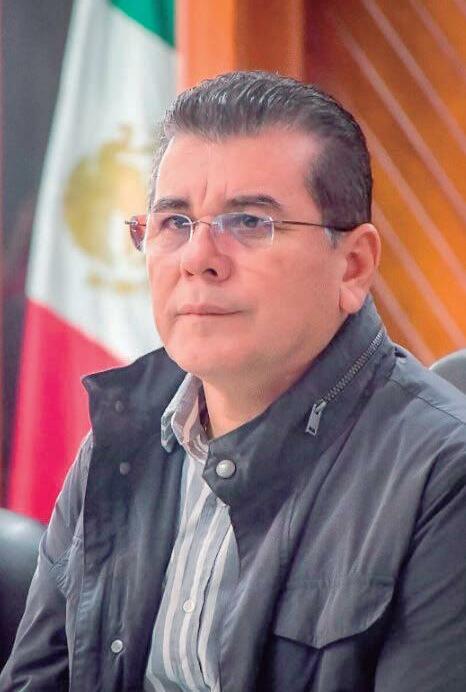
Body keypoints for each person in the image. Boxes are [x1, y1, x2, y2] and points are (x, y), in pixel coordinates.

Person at [1, 71, 465, 692]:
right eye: (174, 223)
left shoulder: (445, 478)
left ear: (353, 267)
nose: (199, 258)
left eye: (248, 222)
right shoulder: (123, 435)